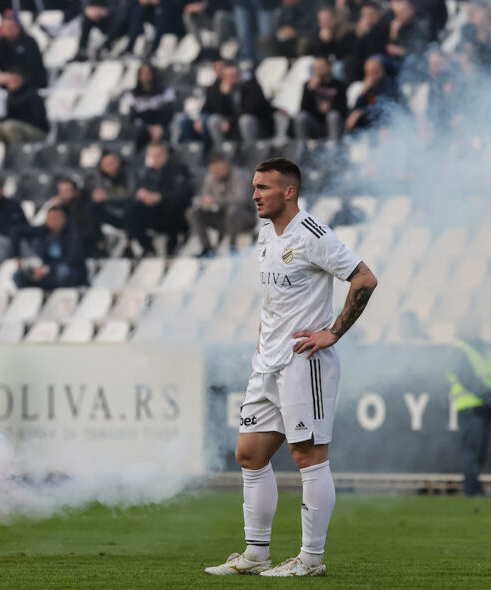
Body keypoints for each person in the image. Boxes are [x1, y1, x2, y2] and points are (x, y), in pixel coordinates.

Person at [205, 158, 377, 577]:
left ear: (289, 192)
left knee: (308, 457)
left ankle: (311, 560)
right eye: (254, 186)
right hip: (267, 362)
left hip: (304, 363)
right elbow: (273, 298)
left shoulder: (312, 234)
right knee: (249, 454)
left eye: (263, 187)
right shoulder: (266, 233)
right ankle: (255, 554)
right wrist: (265, 334)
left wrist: (333, 332)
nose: (254, 194)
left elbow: (365, 279)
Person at [446, 316, 491, 497]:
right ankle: (472, 488)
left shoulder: (485, 348)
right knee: (472, 450)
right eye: (472, 326)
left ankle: (475, 486)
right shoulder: (459, 349)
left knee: (480, 450)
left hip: (486, 405)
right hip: (470, 406)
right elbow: (466, 377)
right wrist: (490, 395)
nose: (476, 329)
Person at [126, 142, 193, 256]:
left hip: (175, 215)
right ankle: (147, 247)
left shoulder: (177, 168)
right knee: (132, 210)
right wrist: (142, 195)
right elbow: (138, 190)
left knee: (173, 206)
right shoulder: (147, 172)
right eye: (151, 156)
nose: (154, 159)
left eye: (158, 155)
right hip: (155, 212)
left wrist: (160, 197)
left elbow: (183, 193)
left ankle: (172, 245)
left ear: (165, 155)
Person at [186, 151, 256, 257]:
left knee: (233, 210)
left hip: (244, 218)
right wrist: (203, 202)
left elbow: (241, 199)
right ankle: (207, 249)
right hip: (222, 219)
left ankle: (232, 246)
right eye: (213, 171)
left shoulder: (240, 175)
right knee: (193, 212)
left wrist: (215, 200)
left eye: (218, 171)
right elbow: (206, 198)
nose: (216, 174)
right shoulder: (210, 177)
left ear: (226, 165)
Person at [13, 206, 88, 290]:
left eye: (57, 218)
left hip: (69, 273)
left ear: (64, 219)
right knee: (18, 275)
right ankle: (37, 296)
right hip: (48, 273)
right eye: (51, 219)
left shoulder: (73, 234)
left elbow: (71, 258)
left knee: (63, 271)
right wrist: (17, 257)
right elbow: (16, 231)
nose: (54, 222)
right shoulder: (44, 231)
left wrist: (47, 269)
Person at [0, 66, 50, 147]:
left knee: (10, 126)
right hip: (16, 127)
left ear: (20, 78)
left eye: (13, 79)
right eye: (9, 80)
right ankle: (4, 153)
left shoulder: (32, 94)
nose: (11, 82)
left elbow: (38, 119)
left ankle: (19, 154)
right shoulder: (9, 96)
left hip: (38, 131)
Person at [120, 62, 176, 152]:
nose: (145, 76)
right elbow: (132, 115)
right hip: (141, 127)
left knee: (167, 133)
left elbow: (168, 111)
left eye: (148, 73)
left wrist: (159, 126)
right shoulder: (131, 94)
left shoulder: (165, 91)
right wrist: (149, 127)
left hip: (161, 126)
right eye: (142, 73)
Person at [295, 54, 347, 145]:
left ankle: (334, 149)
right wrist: (310, 91)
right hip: (316, 124)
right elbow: (303, 108)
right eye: (315, 68)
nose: (317, 71)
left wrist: (330, 108)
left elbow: (343, 109)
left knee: (333, 116)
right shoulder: (308, 85)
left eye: (321, 68)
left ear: (329, 67)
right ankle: (302, 148)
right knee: (301, 117)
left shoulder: (339, 85)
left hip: (333, 125)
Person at [345, 56, 402, 134]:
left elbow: (385, 108)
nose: (371, 76)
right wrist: (363, 93)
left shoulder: (389, 83)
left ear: (382, 71)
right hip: (371, 122)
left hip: (388, 122)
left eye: (374, 72)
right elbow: (359, 107)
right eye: (368, 72)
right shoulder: (370, 87)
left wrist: (362, 111)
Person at [0, 12, 47, 90]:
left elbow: (33, 67)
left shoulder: (29, 42)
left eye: (11, 27)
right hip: (7, 81)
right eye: (6, 28)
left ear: (18, 27)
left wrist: (15, 77)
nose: (8, 30)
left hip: (30, 81)